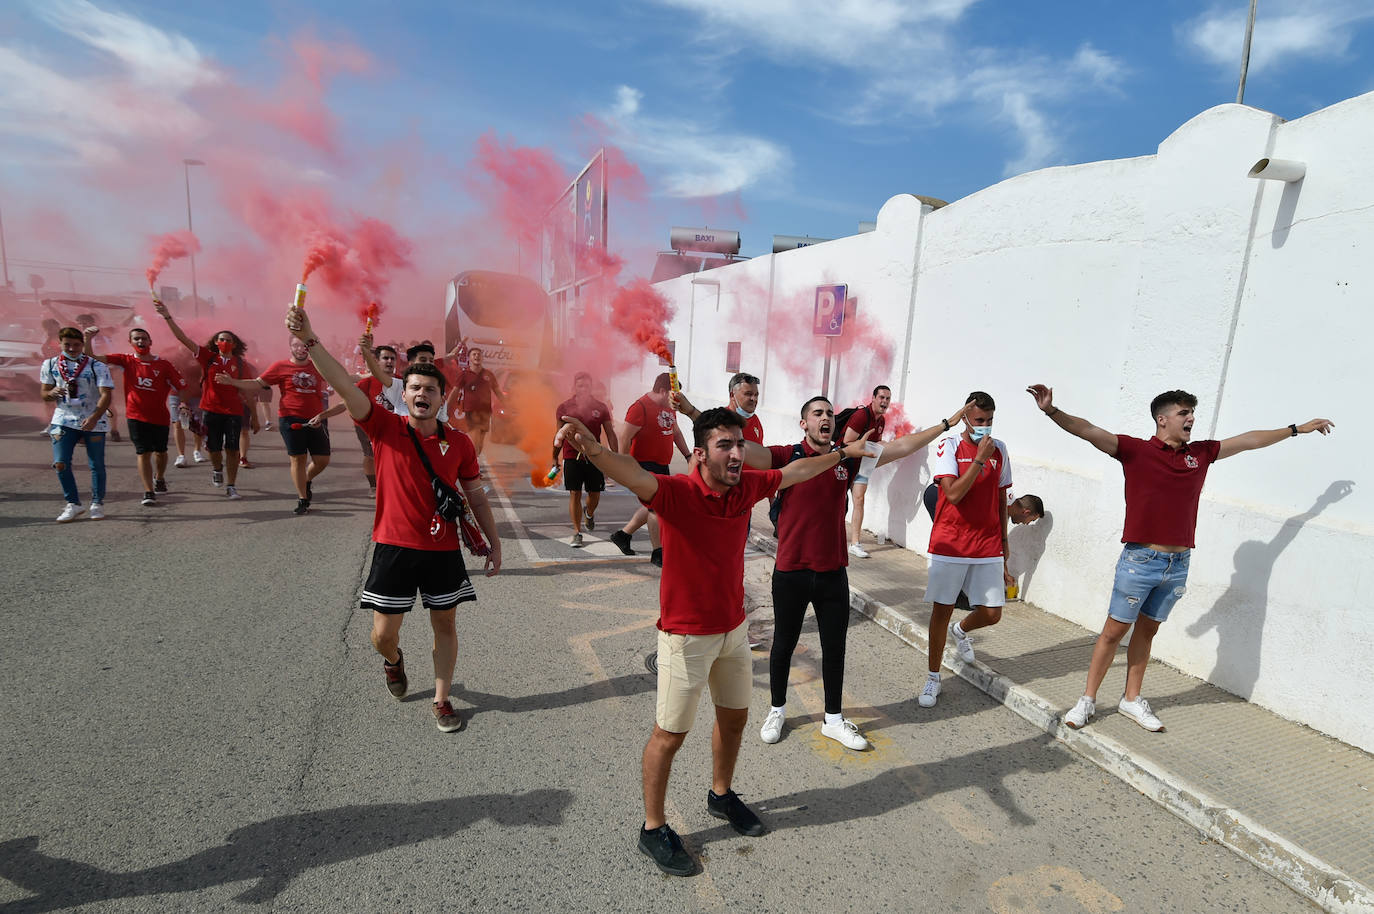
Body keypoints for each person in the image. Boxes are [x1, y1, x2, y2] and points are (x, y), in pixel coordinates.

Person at [555, 406, 873, 876]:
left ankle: (721, 796)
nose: (737, 453)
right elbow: (634, 474)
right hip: (685, 637)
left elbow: (794, 471)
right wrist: (596, 449)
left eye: (740, 444)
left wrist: (842, 453)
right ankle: (653, 827)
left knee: (735, 719)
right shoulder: (677, 493)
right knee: (670, 736)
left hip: (733, 630)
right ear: (700, 455)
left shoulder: (746, 487)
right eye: (725, 445)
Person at [1027, 383, 1334, 732]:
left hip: (1178, 565)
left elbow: (1248, 440)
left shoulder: (1201, 454)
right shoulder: (1135, 451)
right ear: (1162, 419)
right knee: (1114, 632)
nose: (1191, 418)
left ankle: (1131, 699)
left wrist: (1296, 429)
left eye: (1192, 413)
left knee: (1147, 632)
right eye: (1183, 413)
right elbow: (1088, 431)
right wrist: (1052, 410)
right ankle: (1087, 701)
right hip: (1140, 560)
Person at [681, 391, 968, 748]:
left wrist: (946, 424)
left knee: (835, 648)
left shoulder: (848, 459)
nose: (826, 417)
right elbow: (738, 446)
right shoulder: (787, 455)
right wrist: (693, 412)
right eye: (818, 413)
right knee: (783, 644)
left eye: (830, 413)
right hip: (791, 571)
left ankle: (833, 718)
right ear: (804, 423)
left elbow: (902, 447)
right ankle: (778, 709)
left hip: (833, 572)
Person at [286, 305, 502, 733]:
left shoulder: (459, 444)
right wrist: (311, 339)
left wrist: (495, 543)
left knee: (445, 623)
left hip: (441, 550)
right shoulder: (384, 426)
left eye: (431, 390)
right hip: (394, 547)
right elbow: (343, 383)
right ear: (404, 394)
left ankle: (442, 699)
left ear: (443, 400)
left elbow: (476, 496)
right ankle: (394, 662)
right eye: (415, 387)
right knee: (382, 636)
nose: (423, 394)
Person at [919, 391, 1013, 708]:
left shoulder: (1000, 449)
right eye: (979, 421)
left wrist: (1004, 542)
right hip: (952, 540)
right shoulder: (949, 446)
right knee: (941, 611)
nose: (985, 427)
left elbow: (1001, 498)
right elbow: (954, 494)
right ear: (966, 419)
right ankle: (933, 678)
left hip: (987, 541)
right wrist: (978, 460)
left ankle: (963, 630)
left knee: (992, 613)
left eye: (990, 421)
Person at [154, 300, 258, 499]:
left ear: (234, 344)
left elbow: (248, 391)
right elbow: (182, 338)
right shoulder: (208, 357)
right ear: (215, 343)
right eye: (220, 339)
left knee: (233, 450)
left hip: (234, 412)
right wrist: (167, 316)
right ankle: (217, 469)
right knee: (214, 448)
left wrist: (254, 416)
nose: (224, 342)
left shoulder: (241, 364)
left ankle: (231, 485)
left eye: (228, 339)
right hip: (210, 410)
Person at [217, 336, 332, 515]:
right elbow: (257, 383)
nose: (300, 348)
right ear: (290, 347)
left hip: (317, 418)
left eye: (303, 345)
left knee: (322, 460)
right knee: (298, 459)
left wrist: (367, 374)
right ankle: (303, 498)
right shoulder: (280, 366)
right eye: (296, 345)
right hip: (291, 418)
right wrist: (232, 382)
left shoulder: (318, 365)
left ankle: (306, 480)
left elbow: (342, 378)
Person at [84, 324, 187, 506]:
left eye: (144, 338)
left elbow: (181, 386)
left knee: (161, 453)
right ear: (130, 342)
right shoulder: (125, 360)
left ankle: (160, 477)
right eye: (136, 338)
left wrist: (184, 403)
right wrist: (87, 339)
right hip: (135, 416)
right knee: (143, 452)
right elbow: (91, 357)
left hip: (160, 417)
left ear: (150, 341)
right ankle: (148, 491)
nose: (141, 341)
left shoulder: (163, 364)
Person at [608, 372, 691, 566]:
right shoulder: (640, 407)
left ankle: (623, 535)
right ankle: (657, 552)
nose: (676, 399)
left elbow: (676, 432)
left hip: (662, 464)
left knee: (653, 506)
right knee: (656, 508)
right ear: (662, 391)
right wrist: (624, 465)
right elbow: (625, 437)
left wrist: (688, 456)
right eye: (673, 394)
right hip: (643, 466)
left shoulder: (670, 407)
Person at [921, 487, 1045, 607]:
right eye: (1030, 520)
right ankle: (953, 598)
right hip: (940, 495)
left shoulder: (1007, 502)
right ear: (1026, 512)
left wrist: (1005, 573)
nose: (1026, 523)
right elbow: (997, 544)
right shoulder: (999, 504)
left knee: (961, 548)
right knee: (955, 549)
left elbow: (999, 546)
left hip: (941, 494)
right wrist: (1004, 573)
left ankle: (956, 595)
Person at [40, 326, 113, 521]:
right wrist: (51, 393)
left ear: (82, 344)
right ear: (60, 344)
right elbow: (44, 394)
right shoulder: (50, 364)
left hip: (93, 419)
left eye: (76, 345)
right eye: (67, 345)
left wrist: (95, 417)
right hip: (63, 419)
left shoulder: (96, 366)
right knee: (60, 463)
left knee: (96, 464)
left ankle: (97, 503)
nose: (72, 348)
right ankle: (73, 504)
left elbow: (106, 394)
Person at [553, 371, 617, 547]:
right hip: (572, 456)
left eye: (587, 386)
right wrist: (554, 458)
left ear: (591, 388)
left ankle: (589, 513)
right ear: (574, 387)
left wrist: (615, 457)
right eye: (580, 385)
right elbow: (558, 435)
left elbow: (610, 433)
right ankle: (576, 532)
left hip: (594, 456)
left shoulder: (601, 407)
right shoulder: (564, 407)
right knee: (575, 492)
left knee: (594, 494)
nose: (583, 389)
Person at [843, 385, 892, 558]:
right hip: (845, 463)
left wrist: (880, 446)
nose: (884, 401)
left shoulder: (882, 421)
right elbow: (847, 442)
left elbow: (875, 443)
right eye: (881, 397)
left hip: (862, 466)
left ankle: (855, 543)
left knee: (859, 500)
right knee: (838, 503)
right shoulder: (861, 416)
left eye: (887, 398)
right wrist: (876, 445)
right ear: (873, 398)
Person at [452, 347, 504, 457]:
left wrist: (507, 404)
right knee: (474, 438)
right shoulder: (464, 374)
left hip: (485, 412)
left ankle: (474, 460)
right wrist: (447, 407)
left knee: (480, 442)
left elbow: (497, 391)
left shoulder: (488, 374)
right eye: (474, 354)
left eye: (479, 354)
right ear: (469, 358)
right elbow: (455, 391)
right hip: (471, 411)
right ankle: (474, 467)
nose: (477, 356)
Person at [728, 372, 763, 443]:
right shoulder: (721, 421)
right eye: (748, 394)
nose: (754, 399)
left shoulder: (755, 419)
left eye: (756, 395)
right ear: (732, 395)